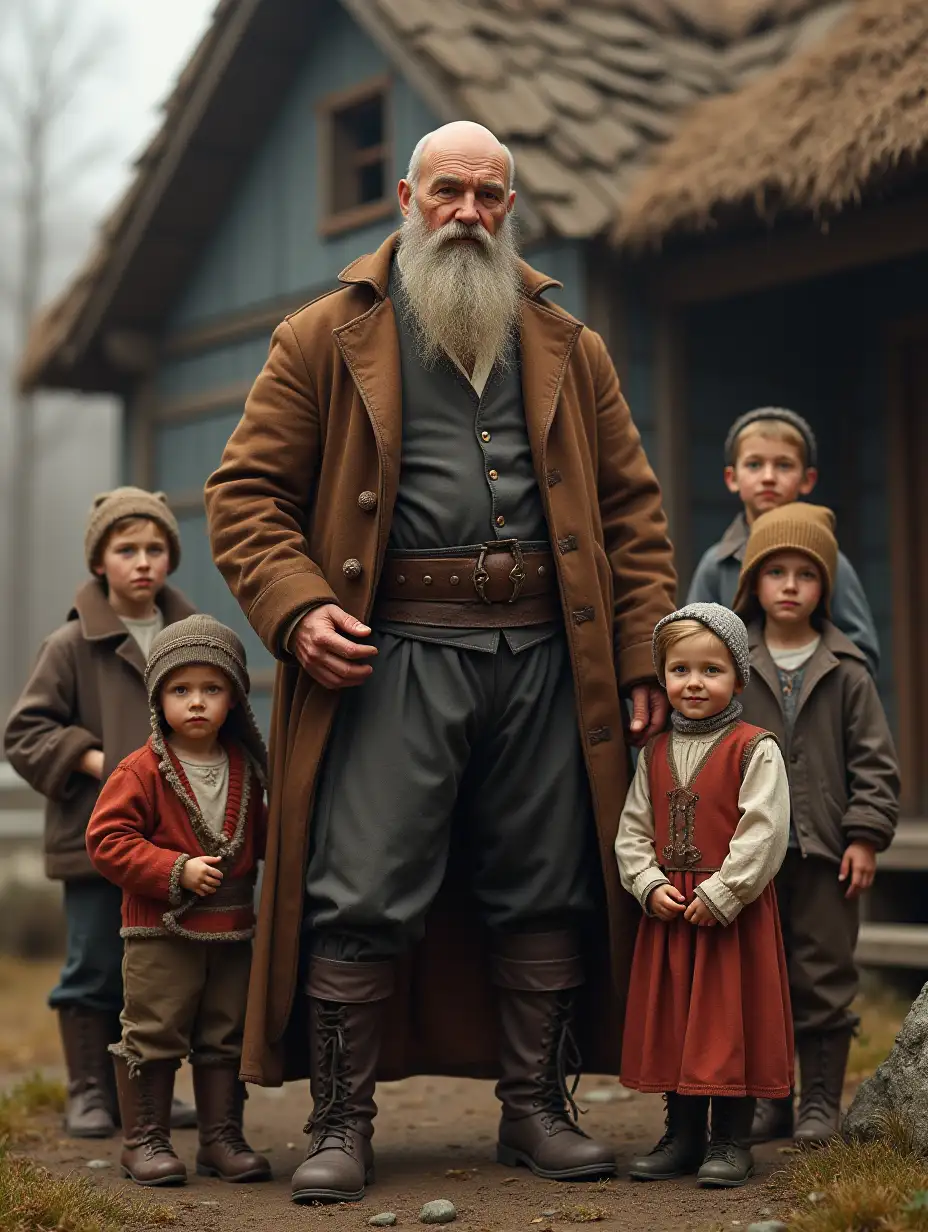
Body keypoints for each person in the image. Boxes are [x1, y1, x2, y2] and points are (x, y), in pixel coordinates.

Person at [204, 120, 677, 1204]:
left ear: (512, 209)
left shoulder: (570, 345)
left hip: (550, 658)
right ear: (408, 198)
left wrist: (643, 647)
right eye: (449, 191)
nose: (469, 213)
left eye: (490, 196)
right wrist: (297, 605)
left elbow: (631, 512)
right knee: (359, 886)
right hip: (390, 653)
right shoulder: (323, 335)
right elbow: (243, 498)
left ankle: (536, 1109)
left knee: (547, 880)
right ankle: (339, 1121)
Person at [4, 488, 197, 1138]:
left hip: (169, 844)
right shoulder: (68, 644)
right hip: (95, 840)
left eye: (154, 548)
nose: (142, 562)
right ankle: (88, 1090)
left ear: (170, 556)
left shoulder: (189, 637)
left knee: (159, 971)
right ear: (99, 561)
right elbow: (24, 733)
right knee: (94, 965)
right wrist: (99, 762)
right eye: (126, 549)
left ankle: (147, 1091)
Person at [732, 504, 899, 1145]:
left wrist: (865, 835)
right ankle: (773, 1098)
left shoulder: (847, 669)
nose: (791, 584)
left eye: (806, 572)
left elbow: (875, 762)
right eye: (776, 571)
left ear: (825, 586)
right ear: (755, 582)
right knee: (757, 979)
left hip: (828, 850)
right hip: (751, 855)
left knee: (823, 973)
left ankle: (820, 1104)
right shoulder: (733, 662)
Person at [85, 615, 271, 1188]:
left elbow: (267, 841)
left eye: (212, 689)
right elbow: (106, 841)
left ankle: (220, 1138)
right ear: (158, 696)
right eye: (180, 689)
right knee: (154, 1028)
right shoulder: (140, 770)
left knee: (226, 1032)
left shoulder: (245, 766)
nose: (196, 703)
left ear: (234, 697)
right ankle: (144, 1139)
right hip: (160, 930)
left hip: (234, 930)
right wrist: (175, 869)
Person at [616, 603, 792, 1188]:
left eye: (711, 670)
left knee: (728, 1019)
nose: (694, 683)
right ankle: (683, 1135)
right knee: (676, 1019)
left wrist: (725, 891)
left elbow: (764, 828)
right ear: (663, 676)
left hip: (728, 912)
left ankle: (731, 1139)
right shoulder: (654, 753)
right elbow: (634, 829)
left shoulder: (754, 747)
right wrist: (646, 882)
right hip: (672, 909)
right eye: (681, 670)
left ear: (738, 677)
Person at [686, 408, 879, 676]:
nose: (768, 477)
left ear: (807, 480)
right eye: (754, 464)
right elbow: (690, 648)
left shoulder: (829, 561)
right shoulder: (717, 563)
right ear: (732, 478)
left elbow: (860, 651)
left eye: (783, 465)